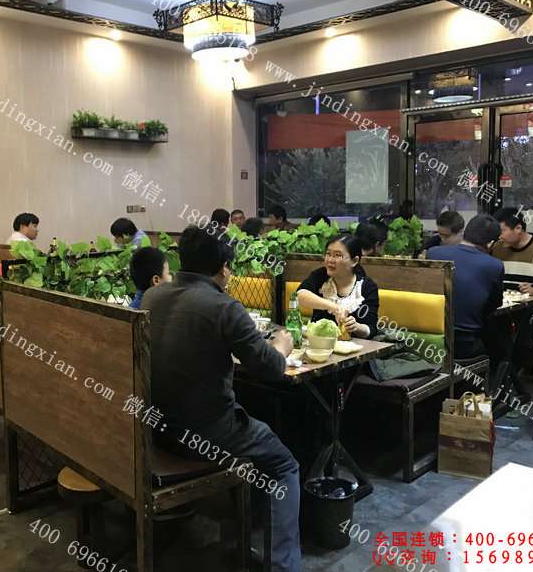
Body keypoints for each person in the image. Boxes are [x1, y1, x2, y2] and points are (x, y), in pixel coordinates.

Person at [143, 226, 299, 572]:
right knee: (285, 465)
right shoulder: (224, 306)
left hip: (157, 429)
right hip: (207, 434)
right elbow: (272, 369)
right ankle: (284, 565)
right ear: (225, 267)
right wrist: (282, 345)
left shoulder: (153, 296)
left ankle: (241, 528)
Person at [427, 215, 504, 359]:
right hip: (464, 344)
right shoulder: (494, 265)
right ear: (490, 244)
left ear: (465, 233)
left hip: (429, 337)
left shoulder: (433, 253)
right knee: (499, 342)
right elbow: (494, 305)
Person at [297, 235, 379, 339]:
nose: (330, 260)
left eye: (338, 255)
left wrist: (356, 327)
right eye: (328, 254)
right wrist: (333, 307)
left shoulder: (367, 287)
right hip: (319, 342)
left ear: (354, 261)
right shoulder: (320, 276)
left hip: (352, 345)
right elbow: (300, 295)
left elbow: (371, 329)